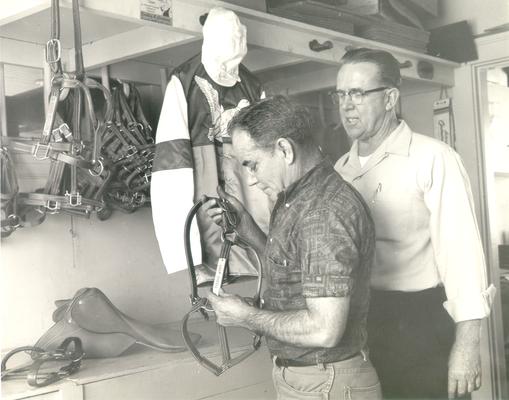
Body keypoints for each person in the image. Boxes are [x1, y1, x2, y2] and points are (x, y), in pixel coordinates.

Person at [333, 47, 496, 399]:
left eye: (358, 93)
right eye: (341, 94)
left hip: (421, 321)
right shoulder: (340, 171)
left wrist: (467, 346)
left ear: (390, 97)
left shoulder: (433, 158)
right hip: (362, 323)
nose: (347, 105)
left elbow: (463, 259)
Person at [203, 95, 382, 399]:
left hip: (326, 381)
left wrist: (245, 316)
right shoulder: (297, 198)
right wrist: (248, 229)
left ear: (285, 149)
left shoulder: (322, 212)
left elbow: (324, 330)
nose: (251, 178)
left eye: (252, 164)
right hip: (314, 379)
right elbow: (293, 271)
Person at [151, 7, 271, 283]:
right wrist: (187, 257)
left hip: (242, 177)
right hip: (200, 172)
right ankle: (204, 263)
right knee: (202, 209)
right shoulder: (184, 82)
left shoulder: (253, 86)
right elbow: (172, 166)